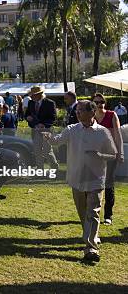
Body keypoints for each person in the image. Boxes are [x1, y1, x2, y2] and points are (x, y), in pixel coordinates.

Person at [43, 101, 117, 263]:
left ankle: (90, 248)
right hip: (76, 179)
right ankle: (92, 236)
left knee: (93, 212)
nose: (77, 113)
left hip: (96, 179)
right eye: (77, 110)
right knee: (84, 214)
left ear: (92, 112)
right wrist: (49, 137)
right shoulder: (72, 130)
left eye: (81, 110)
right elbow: (57, 140)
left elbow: (113, 154)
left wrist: (99, 155)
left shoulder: (103, 132)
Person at [92, 93, 123, 225]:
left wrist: (120, 153)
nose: (100, 104)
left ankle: (108, 215)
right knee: (94, 184)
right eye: (97, 102)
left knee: (108, 184)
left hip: (110, 154)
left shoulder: (111, 115)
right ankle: (93, 213)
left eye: (102, 102)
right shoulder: (91, 117)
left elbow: (118, 134)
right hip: (94, 155)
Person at [26, 85, 59, 169]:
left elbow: (53, 118)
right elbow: (27, 114)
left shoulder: (50, 103)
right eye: (31, 95)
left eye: (33, 95)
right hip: (35, 130)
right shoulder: (31, 103)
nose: (32, 97)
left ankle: (54, 167)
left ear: (39, 94)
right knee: (37, 151)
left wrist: (43, 124)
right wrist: (28, 118)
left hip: (46, 131)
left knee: (47, 151)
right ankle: (40, 169)